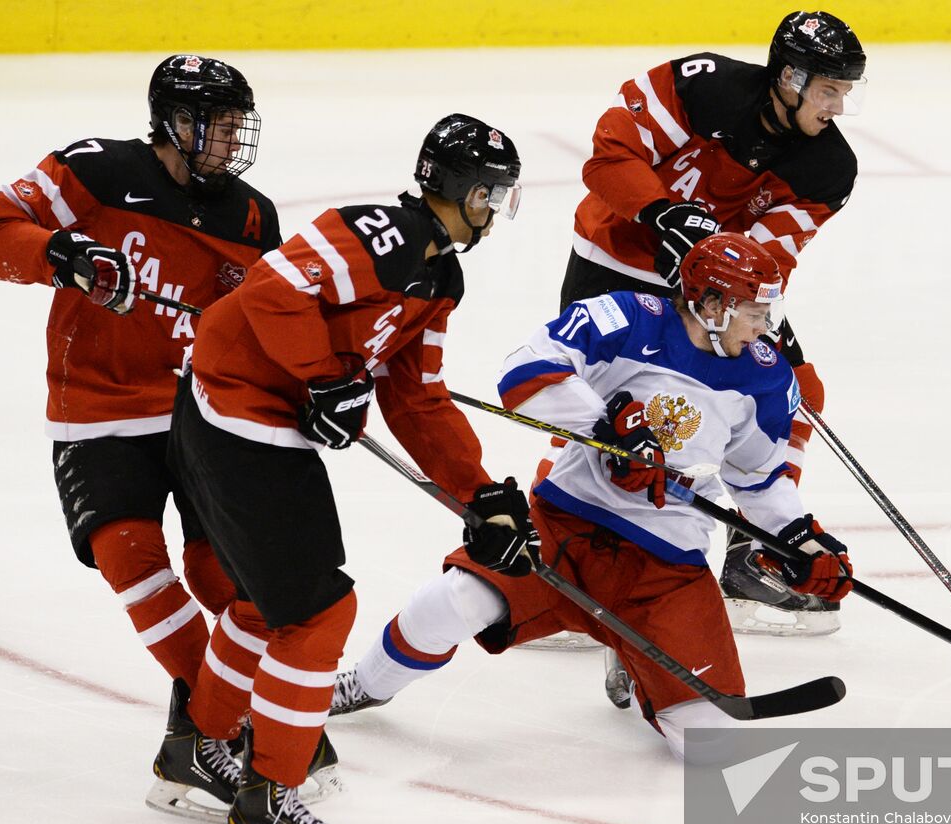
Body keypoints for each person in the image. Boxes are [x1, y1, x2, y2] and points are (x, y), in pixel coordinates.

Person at [168, 113, 536, 824]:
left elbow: (420, 397)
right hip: (235, 414)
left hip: (258, 422)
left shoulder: (440, 276)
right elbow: (274, 290)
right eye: (491, 194)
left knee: (260, 604)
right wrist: (324, 375)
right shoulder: (374, 230)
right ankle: (268, 802)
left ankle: (193, 750)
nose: (496, 210)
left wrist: (481, 495)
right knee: (317, 612)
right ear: (462, 189)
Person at [328, 232, 855, 761]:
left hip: (664, 569)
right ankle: (365, 684)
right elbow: (526, 370)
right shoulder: (627, 317)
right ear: (711, 303)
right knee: (450, 603)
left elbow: (758, 475)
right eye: (754, 311)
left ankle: (631, 653)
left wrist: (799, 541)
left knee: (713, 747)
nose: (765, 326)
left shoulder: (764, 374)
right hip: (565, 529)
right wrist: (609, 428)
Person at [0, 55, 305, 816]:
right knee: (134, 563)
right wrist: (60, 254)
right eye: (217, 126)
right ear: (175, 124)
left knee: (229, 579)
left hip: (201, 413)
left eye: (234, 126)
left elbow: (269, 327)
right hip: (96, 410)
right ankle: (223, 724)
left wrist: (312, 384)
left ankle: (213, 727)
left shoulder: (252, 217)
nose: (231, 141)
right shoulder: (92, 169)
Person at [550, 10, 867, 642]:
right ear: (790, 76)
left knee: (795, 385)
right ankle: (566, 550)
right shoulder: (701, 85)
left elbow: (771, 253)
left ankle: (757, 551)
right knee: (608, 406)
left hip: (707, 288)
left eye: (844, 92)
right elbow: (610, 156)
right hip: (613, 259)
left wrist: (745, 303)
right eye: (829, 89)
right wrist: (663, 212)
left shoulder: (829, 166)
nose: (837, 105)